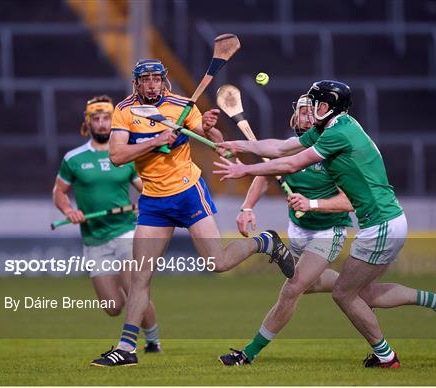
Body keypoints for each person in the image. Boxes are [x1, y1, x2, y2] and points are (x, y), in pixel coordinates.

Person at [213, 80, 436, 368]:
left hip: (379, 224)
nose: (310, 110)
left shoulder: (337, 134)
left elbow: (291, 164)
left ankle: (386, 357)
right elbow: (282, 148)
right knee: (362, 292)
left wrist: (245, 168)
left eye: (316, 104)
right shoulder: (331, 129)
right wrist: (238, 145)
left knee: (343, 293)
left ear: (327, 107)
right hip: (382, 223)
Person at [90, 59, 295, 367]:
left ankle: (265, 242)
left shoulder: (181, 106)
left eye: (155, 79)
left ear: (163, 81)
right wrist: (157, 141)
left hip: (188, 193)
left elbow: (213, 140)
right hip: (154, 202)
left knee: (218, 263)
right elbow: (118, 156)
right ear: (136, 83)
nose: (151, 85)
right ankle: (127, 348)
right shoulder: (124, 111)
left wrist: (211, 129)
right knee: (140, 275)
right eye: (145, 80)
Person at [219, 95, 353, 365]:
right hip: (299, 229)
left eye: (310, 112)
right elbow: (265, 173)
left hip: (329, 230)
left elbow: (349, 201)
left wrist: (312, 204)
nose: (305, 117)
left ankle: (249, 353)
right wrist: (246, 207)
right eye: (301, 112)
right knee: (317, 284)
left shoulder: (334, 148)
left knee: (292, 288)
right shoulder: (291, 146)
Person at [53, 95, 161, 353]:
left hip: (125, 231)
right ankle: (137, 314)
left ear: (114, 122)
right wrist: (69, 210)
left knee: (134, 286)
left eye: (106, 119)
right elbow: (59, 192)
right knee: (113, 307)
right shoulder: (74, 158)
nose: (102, 124)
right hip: (94, 240)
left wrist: (148, 201)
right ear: (87, 123)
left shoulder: (125, 156)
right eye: (96, 118)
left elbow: (146, 188)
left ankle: (152, 339)